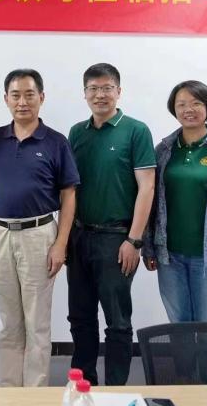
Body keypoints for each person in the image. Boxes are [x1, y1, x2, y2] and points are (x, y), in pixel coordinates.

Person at [142, 80, 207, 383]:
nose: (189, 110)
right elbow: (151, 202)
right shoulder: (163, 150)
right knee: (179, 326)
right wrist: (149, 246)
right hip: (169, 256)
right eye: (182, 104)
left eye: (196, 103)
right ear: (174, 110)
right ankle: (184, 384)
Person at [0, 69, 78, 387]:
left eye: (29, 95)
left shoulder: (55, 142)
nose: (22, 102)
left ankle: (34, 394)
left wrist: (60, 244)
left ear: (41, 97)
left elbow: (69, 195)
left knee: (36, 322)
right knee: (9, 322)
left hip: (39, 235)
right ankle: (9, 391)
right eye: (15, 95)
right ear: (6, 99)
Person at [67, 63, 156, 386]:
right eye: (93, 89)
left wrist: (134, 240)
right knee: (80, 317)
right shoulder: (77, 132)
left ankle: (115, 389)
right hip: (79, 236)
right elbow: (70, 189)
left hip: (117, 239)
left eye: (107, 88)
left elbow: (147, 186)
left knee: (117, 321)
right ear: (85, 94)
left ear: (118, 91)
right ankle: (84, 384)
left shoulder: (136, 130)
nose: (100, 95)